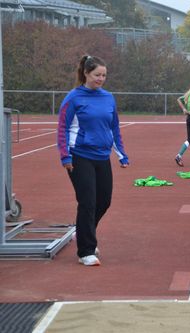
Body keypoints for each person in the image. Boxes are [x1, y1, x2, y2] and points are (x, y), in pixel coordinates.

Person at [57, 55, 129, 266]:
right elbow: (62, 128)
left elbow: (114, 127)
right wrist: (65, 156)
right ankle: (86, 251)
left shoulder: (108, 98)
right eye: (97, 75)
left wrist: (121, 153)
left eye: (104, 75)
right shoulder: (73, 97)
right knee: (87, 202)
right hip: (79, 156)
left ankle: (83, 231)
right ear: (86, 73)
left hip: (102, 156)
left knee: (104, 201)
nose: (101, 79)